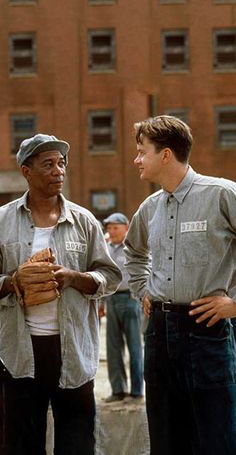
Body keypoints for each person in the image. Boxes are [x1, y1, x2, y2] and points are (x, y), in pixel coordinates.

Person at [0, 133, 121, 455]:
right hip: (19, 352)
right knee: (20, 442)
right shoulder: (2, 221)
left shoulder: (84, 221)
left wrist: (74, 278)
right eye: (48, 164)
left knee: (78, 440)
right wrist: (14, 282)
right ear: (27, 171)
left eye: (62, 164)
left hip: (73, 349)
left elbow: (111, 275)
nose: (59, 171)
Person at [124, 115, 236, 455]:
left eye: (142, 151)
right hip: (158, 333)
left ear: (166, 155)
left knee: (216, 439)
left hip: (207, 332)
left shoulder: (221, 194)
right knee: (166, 439)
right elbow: (133, 252)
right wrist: (142, 289)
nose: (136, 159)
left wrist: (235, 303)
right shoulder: (149, 208)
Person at [103, 212, 144, 403]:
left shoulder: (133, 247)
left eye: (115, 227)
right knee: (113, 347)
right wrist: (100, 303)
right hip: (111, 299)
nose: (111, 231)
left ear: (126, 228)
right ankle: (118, 390)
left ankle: (137, 391)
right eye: (109, 228)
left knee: (135, 347)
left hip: (131, 299)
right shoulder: (106, 249)